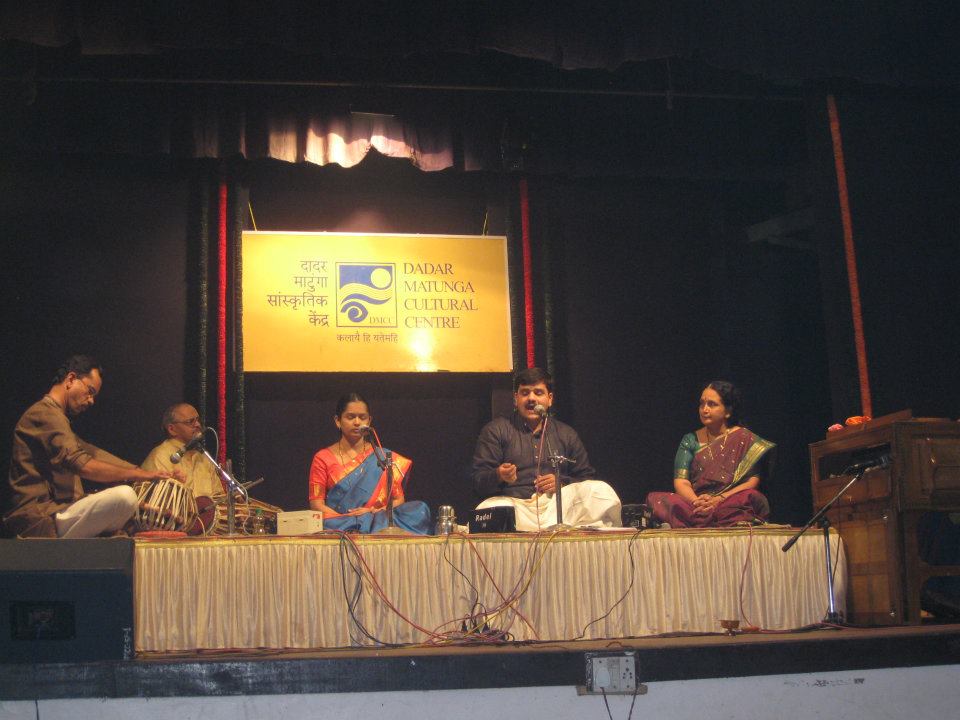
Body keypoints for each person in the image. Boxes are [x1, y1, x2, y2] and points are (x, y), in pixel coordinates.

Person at [2, 355, 174, 538]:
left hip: (59, 513)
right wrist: (139, 475)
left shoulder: (57, 419)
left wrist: (147, 475)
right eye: (90, 391)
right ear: (70, 379)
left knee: (130, 506)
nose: (91, 400)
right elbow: (82, 464)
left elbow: (93, 453)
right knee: (125, 496)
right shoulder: (44, 413)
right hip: (39, 518)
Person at [471, 367, 622, 530]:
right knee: (487, 509)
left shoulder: (566, 434)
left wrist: (561, 483)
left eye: (538, 392)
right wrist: (498, 475)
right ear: (516, 398)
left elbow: (586, 479)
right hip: (517, 507)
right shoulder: (496, 430)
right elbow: (478, 481)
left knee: (600, 491)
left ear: (550, 399)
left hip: (558, 507)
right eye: (525, 393)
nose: (531, 399)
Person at [647, 381, 775, 528]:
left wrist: (719, 499)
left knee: (750, 497)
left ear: (728, 411)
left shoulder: (745, 438)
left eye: (712, 404)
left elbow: (751, 481)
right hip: (695, 504)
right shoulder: (690, 440)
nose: (704, 409)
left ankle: (707, 518)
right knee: (658, 499)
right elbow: (681, 481)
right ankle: (704, 516)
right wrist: (697, 502)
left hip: (728, 501)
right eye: (702, 404)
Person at [308, 393, 432, 534]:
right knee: (319, 521)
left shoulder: (383, 456)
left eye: (362, 417)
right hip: (340, 523)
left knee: (419, 510)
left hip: (375, 519)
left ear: (369, 421)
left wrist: (372, 512)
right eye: (350, 417)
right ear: (337, 421)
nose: (357, 422)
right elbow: (317, 505)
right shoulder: (322, 458)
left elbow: (398, 500)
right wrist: (351, 518)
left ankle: (367, 524)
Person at [141, 403, 222, 500]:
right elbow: (154, 501)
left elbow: (219, 498)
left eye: (197, 420)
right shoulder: (160, 456)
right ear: (172, 429)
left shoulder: (204, 458)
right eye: (190, 421)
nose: (197, 424)